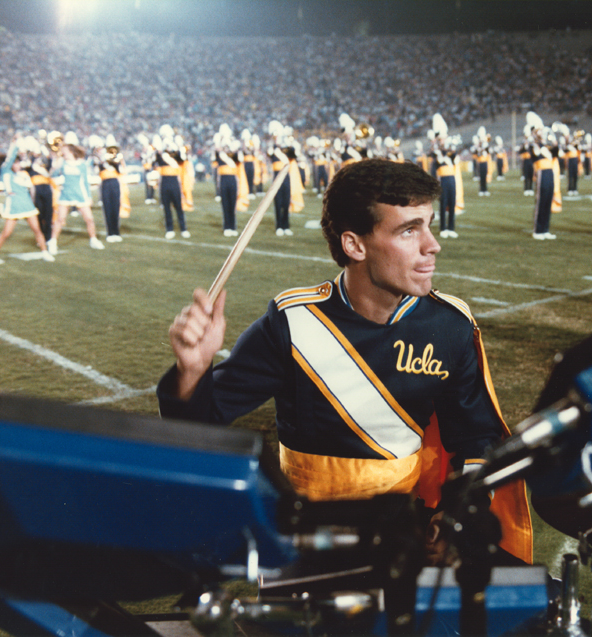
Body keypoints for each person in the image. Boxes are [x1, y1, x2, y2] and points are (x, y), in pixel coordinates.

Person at [158, 158, 533, 567]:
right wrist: (193, 370)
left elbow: (475, 438)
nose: (432, 245)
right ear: (355, 245)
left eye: (429, 224)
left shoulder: (451, 326)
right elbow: (198, 426)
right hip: (303, 538)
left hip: (405, 533)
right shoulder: (293, 321)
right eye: (409, 230)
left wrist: (458, 513)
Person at [0, 136, 54, 265]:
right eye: (15, 163)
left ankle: (45, 252)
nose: (17, 165)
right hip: (14, 206)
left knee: (37, 230)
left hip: (27, 205)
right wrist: (15, 145)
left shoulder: (23, 174)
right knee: (6, 233)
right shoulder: (6, 172)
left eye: (18, 163)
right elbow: (10, 158)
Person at [49, 134, 104, 253]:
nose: (63, 153)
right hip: (66, 194)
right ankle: (53, 242)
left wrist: (89, 197)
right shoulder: (62, 163)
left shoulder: (81, 164)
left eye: (65, 151)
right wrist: (56, 165)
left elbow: (84, 182)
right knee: (60, 219)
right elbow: (52, 175)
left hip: (80, 194)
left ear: (71, 151)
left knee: (89, 219)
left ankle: (93, 240)